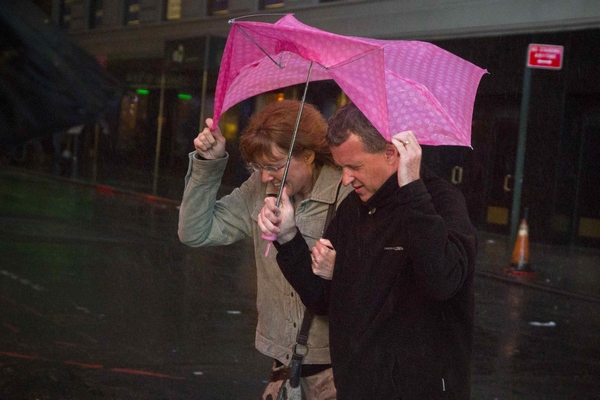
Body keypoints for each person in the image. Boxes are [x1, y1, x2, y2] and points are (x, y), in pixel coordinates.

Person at [258, 102, 477, 399]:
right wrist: (287, 238)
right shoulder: (353, 209)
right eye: (341, 167)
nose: (346, 179)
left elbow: (444, 281)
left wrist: (411, 190)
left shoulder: (441, 201)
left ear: (391, 153)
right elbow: (323, 301)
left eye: (354, 166)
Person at [178, 100, 352, 399]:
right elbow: (195, 232)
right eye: (258, 167)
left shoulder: (347, 193)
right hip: (283, 367)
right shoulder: (259, 190)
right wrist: (207, 166)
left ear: (308, 155)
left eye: (274, 166)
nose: (265, 177)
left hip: (339, 367)